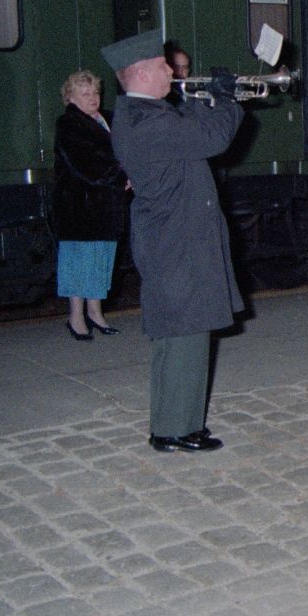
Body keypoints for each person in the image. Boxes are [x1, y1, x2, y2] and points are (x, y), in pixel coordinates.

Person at [104, 30, 246, 454]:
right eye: (164, 66)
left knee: (178, 332)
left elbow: (188, 130)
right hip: (177, 237)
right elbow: (211, 139)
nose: (173, 71)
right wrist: (227, 99)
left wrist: (204, 101)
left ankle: (175, 422)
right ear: (144, 73)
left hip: (172, 234)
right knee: (186, 330)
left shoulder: (143, 114)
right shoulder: (146, 120)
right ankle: (174, 430)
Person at [52, 70, 130, 340]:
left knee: (101, 259)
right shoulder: (69, 124)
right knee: (79, 259)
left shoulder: (106, 119)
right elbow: (86, 165)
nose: (93, 98)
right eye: (85, 94)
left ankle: (96, 313)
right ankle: (75, 316)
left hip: (105, 204)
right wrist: (122, 177)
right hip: (80, 206)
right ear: (70, 98)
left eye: (95, 92)